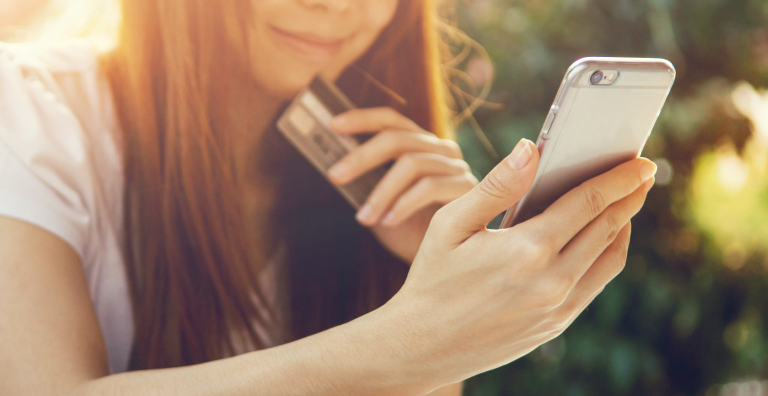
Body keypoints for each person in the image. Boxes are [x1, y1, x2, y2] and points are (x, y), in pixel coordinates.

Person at [0, 0, 657, 395]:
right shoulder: (29, 110)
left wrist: (421, 281)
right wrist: (417, 333)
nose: (336, 3)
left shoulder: (377, 184)